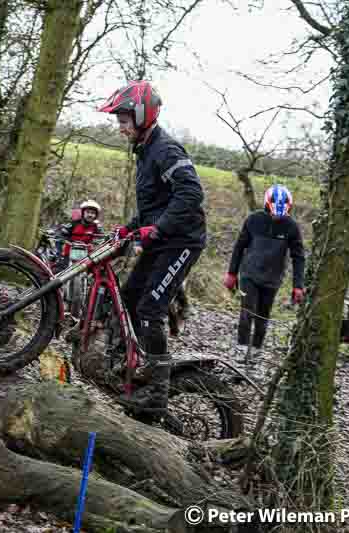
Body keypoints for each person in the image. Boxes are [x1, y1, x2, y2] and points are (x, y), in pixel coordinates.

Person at [98, 80, 207, 417]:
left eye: (124, 120)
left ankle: (157, 394)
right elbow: (154, 205)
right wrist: (129, 229)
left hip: (182, 241)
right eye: (118, 121)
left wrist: (157, 229)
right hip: (161, 240)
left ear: (144, 115)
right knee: (128, 298)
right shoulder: (145, 151)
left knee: (150, 308)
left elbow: (191, 195)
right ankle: (132, 366)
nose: (120, 127)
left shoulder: (166, 150)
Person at [224, 184, 305, 358]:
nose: (277, 217)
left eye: (281, 214)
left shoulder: (291, 226)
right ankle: (241, 350)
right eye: (274, 212)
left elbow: (298, 257)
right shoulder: (253, 220)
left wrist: (298, 285)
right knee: (247, 312)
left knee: (263, 315)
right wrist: (231, 273)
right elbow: (239, 246)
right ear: (267, 205)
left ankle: (255, 352)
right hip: (249, 274)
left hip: (273, 279)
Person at [53, 199, 103, 272]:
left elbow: (100, 238)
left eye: (93, 213)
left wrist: (95, 244)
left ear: (96, 215)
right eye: (88, 212)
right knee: (60, 271)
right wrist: (62, 240)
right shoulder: (74, 223)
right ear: (83, 213)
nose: (90, 215)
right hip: (69, 253)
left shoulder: (97, 227)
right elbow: (62, 233)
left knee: (96, 271)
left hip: (87, 255)